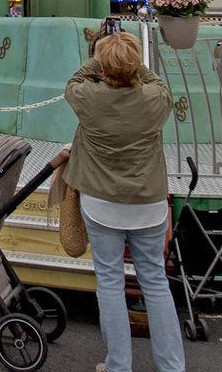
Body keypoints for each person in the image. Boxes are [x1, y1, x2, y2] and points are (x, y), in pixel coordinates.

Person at [57, 31, 184, 372]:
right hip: (148, 202)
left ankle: (118, 365)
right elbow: (154, 79)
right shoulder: (155, 98)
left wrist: (99, 58)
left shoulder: (88, 97)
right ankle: (172, 366)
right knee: (155, 282)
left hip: (102, 202)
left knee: (110, 283)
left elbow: (73, 81)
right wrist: (133, 63)